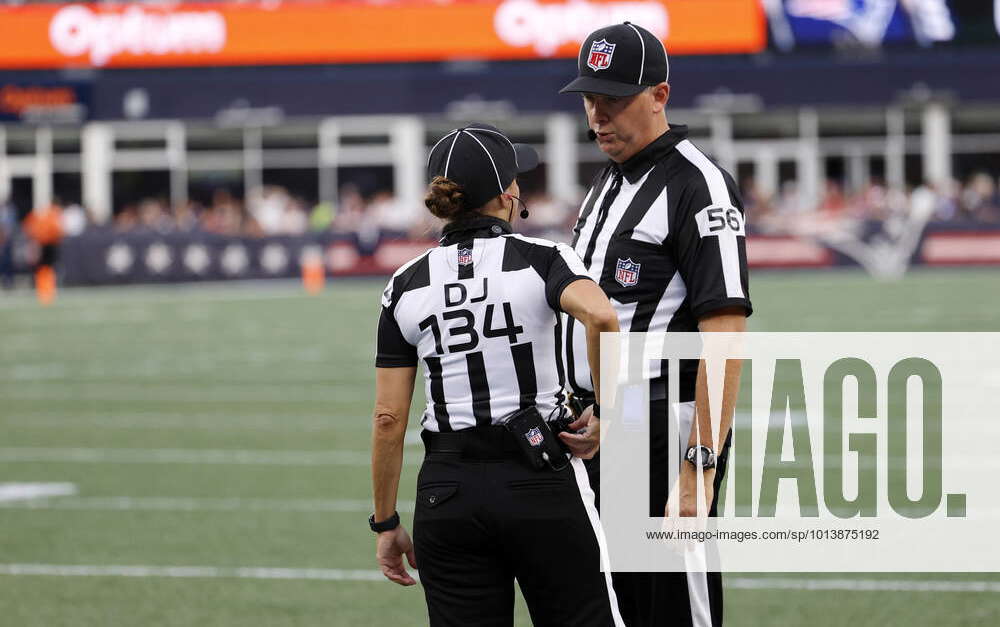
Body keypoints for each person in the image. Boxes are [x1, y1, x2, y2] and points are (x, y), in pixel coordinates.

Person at [370, 123, 625, 626]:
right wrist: (607, 415)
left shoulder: (405, 284)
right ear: (508, 195)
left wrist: (386, 522)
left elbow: (387, 418)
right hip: (539, 474)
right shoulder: (542, 258)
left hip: (448, 491)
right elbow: (601, 316)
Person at [559, 22, 753, 627]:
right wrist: (597, 407)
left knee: (676, 610)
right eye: (590, 99)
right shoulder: (606, 184)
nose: (597, 115)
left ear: (659, 95)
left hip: (667, 435)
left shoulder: (698, 184)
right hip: (611, 435)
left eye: (613, 99)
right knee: (620, 610)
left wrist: (699, 468)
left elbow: (722, 334)